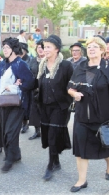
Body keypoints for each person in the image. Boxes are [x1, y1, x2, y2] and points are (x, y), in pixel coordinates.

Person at [67, 36, 109, 193]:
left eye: (95, 46)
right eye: (89, 46)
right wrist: (74, 94)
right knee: (80, 149)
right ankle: (82, 180)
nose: (91, 49)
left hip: (103, 116)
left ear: (102, 50)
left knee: (104, 146)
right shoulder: (81, 67)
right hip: (82, 115)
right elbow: (70, 87)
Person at [0, 37, 35, 172]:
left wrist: (17, 85)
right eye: (3, 48)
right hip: (2, 102)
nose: (4, 50)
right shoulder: (2, 64)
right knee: (4, 131)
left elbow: (31, 83)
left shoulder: (21, 64)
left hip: (16, 103)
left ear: (14, 49)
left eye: (7, 48)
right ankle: (15, 154)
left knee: (10, 132)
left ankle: (9, 158)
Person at [36, 34, 73, 181]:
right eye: (44, 47)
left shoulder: (66, 66)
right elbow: (37, 83)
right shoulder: (42, 65)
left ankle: (50, 165)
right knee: (47, 134)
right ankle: (56, 161)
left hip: (60, 107)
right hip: (44, 106)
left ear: (57, 49)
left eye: (49, 47)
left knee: (53, 135)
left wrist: (68, 101)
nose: (45, 50)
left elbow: (72, 84)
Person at [28, 39, 45, 140]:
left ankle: (45, 131)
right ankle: (37, 131)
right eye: (39, 47)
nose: (40, 49)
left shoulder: (49, 60)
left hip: (45, 89)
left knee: (44, 111)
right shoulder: (33, 60)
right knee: (34, 111)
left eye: (42, 47)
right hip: (34, 89)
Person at [19, 42, 32, 134]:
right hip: (16, 86)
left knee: (25, 106)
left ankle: (25, 123)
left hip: (26, 86)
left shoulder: (29, 60)